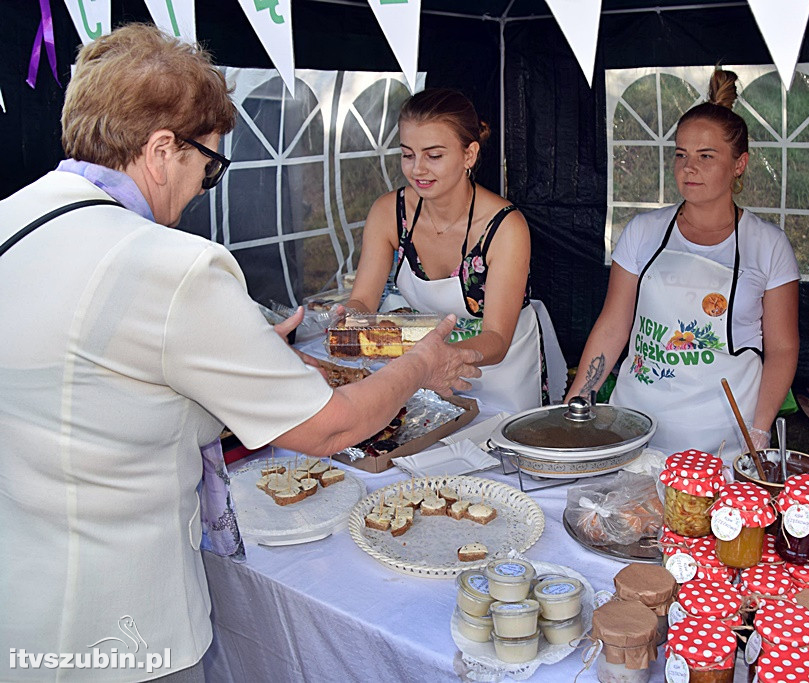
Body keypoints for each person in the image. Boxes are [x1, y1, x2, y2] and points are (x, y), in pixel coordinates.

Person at [0, 24, 479, 681]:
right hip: (122, 632)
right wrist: (421, 363)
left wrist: (244, 364)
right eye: (209, 166)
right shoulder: (173, 267)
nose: (203, 188)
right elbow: (330, 426)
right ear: (163, 149)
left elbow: (91, 389)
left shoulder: (13, 221)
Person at [566, 70, 800, 457]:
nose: (688, 168)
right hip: (634, 425)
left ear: (739, 164)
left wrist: (758, 431)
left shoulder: (768, 246)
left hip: (721, 439)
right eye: (681, 154)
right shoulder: (643, 232)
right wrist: (577, 405)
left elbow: (782, 349)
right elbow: (612, 326)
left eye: (706, 156)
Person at [346, 88, 558, 413]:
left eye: (434, 156)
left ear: (469, 155)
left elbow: (497, 340)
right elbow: (363, 300)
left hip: (501, 379)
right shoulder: (389, 212)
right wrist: (349, 320)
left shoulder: (504, 227)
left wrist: (430, 360)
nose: (417, 169)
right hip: (425, 374)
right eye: (407, 154)